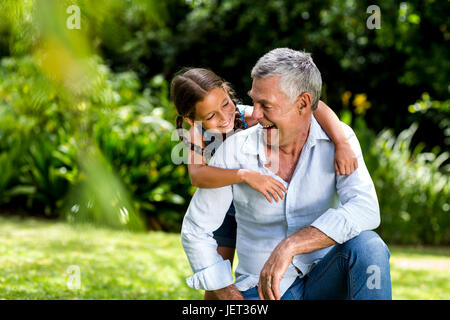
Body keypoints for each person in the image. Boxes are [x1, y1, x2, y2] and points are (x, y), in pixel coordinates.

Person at [180, 48, 392, 300]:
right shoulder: (210, 141)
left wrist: (291, 246)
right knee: (214, 288)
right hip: (256, 278)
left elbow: (366, 209)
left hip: (324, 279)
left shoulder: (337, 139)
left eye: (266, 105)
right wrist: (227, 292)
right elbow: (197, 204)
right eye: (255, 102)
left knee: (369, 246)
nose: (256, 115)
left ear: (302, 103)